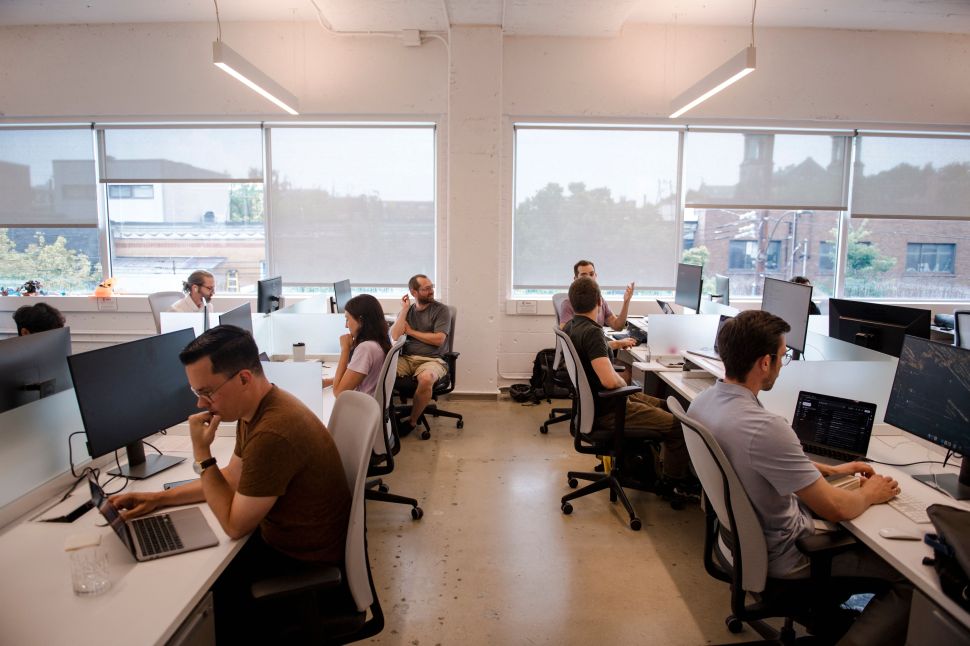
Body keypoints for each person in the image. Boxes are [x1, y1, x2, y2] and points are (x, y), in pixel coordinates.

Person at [110, 325, 351, 640]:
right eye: (196, 393)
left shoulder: (273, 433)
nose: (200, 404)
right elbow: (232, 478)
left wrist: (202, 453)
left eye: (206, 392)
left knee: (188, 592)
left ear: (244, 379)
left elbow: (235, 524)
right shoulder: (258, 408)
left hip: (301, 563)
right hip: (290, 543)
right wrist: (158, 499)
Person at [687, 310, 912, 645]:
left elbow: (755, 458)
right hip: (789, 558)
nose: (783, 363)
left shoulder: (703, 404)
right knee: (910, 579)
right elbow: (836, 508)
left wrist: (830, 469)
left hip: (734, 544)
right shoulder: (767, 428)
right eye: (783, 356)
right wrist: (872, 492)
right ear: (765, 363)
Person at [564, 276, 692, 489]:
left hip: (595, 406)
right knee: (677, 425)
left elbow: (593, 353)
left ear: (572, 302)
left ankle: (654, 465)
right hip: (608, 411)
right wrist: (626, 386)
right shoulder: (593, 332)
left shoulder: (572, 326)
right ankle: (674, 484)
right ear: (599, 302)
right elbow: (608, 380)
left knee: (665, 404)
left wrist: (615, 345)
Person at [390, 274, 452, 435]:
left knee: (427, 378)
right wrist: (404, 310)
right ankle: (385, 418)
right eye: (426, 289)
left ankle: (411, 422)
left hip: (432, 360)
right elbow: (395, 336)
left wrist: (411, 332)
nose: (431, 291)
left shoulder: (441, 310)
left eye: (431, 287)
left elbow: (439, 339)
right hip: (407, 358)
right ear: (414, 292)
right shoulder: (407, 311)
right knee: (380, 372)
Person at [558, 259, 637, 352]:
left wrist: (626, 302)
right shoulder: (568, 304)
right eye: (584, 275)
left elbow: (618, 326)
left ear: (596, 276)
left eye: (591, 274)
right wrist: (617, 344)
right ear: (575, 279)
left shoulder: (600, 300)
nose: (589, 278)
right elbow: (571, 342)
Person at [324, 293, 391, 397]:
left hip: (362, 408)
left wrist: (345, 349)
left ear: (360, 320)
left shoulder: (366, 348)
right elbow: (357, 376)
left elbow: (339, 393)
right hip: (371, 406)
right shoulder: (379, 341)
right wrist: (328, 381)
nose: (346, 325)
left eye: (347, 319)